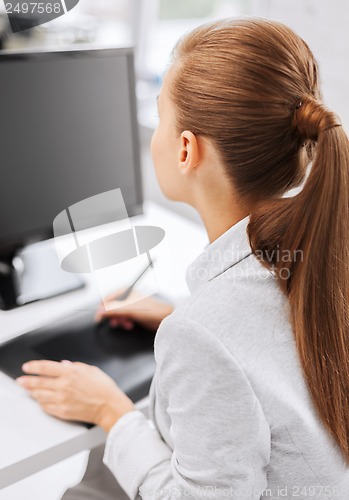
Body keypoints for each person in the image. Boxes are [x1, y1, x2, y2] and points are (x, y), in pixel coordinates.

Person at [16, 17, 349, 499]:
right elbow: (264, 342)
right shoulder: (324, 254)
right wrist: (181, 313)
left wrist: (111, 411)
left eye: (159, 116)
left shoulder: (203, 333)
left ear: (186, 150)